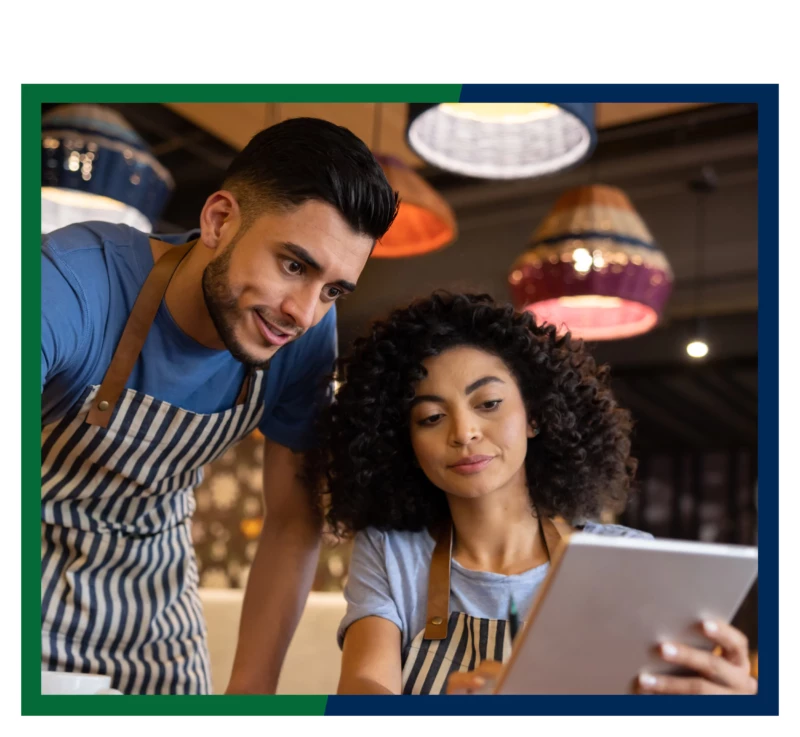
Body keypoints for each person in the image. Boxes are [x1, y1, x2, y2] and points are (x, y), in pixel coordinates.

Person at [40, 116, 399, 695]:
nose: (304, 313)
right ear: (219, 220)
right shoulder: (67, 282)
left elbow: (291, 519)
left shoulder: (306, 336)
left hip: (155, 621)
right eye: (293, 265)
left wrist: (250, 699)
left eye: (332, 289)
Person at [306, 292, 757, 696]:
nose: (464, 433)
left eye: (488, 404)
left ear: (535, 418)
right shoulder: (391, 551)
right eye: (430, 417)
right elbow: (364, 689)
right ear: (403, 440)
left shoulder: (627, 555)